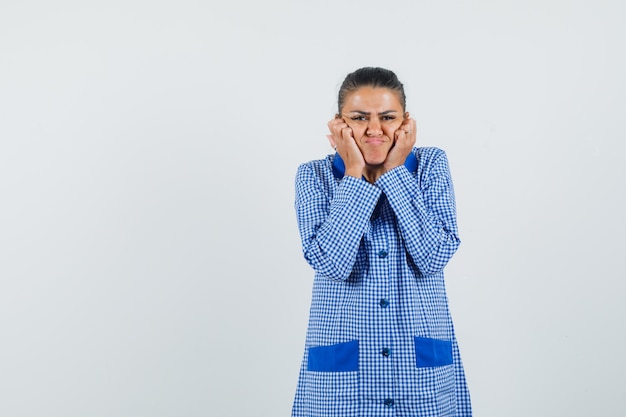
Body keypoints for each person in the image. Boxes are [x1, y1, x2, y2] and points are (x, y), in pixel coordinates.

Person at [292, 67, 472, 417]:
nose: (374, 129)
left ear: (406, 123)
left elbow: (433, 255)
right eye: (359, 118)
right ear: (338, 125)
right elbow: (332, 263)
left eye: (387, 117)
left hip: (420, 373)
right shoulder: (312, 176)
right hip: (344, 378)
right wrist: (356, 173)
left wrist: (394, 171)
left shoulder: (430, 165)